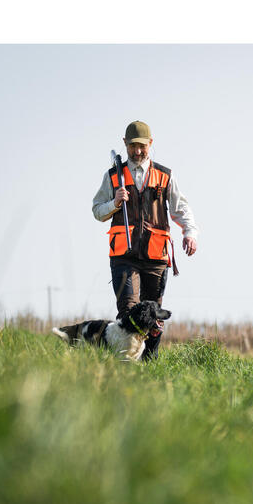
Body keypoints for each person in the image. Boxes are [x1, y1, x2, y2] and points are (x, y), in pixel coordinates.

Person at [92, 120, 198, 360]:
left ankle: (150, 364)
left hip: (155, 258)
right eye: (132, 146)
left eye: (142, 146)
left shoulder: (164, 175)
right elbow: (97, 210)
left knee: (153, 315)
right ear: (125, 144)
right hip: (123, 257)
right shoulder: (113, 176)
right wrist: (114, 203)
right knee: (129, 312)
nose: (137, 152)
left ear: (151, 144)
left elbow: (181, 208)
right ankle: (125, 362)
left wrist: (189, 233)